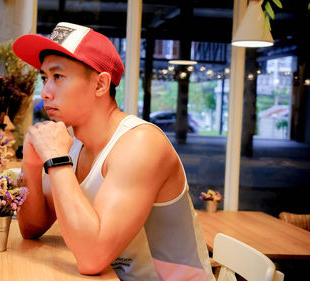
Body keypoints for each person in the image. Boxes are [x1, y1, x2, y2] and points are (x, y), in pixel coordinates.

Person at [12, 22, 214, 281]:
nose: (45, 93)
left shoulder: (141, 143)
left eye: (58, 77)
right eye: (44, 78)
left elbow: (92, 259)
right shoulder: (72, 143)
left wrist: (56, 160)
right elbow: (32, 228)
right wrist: (30, 163)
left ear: (100, 85)